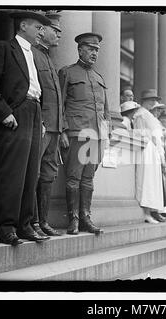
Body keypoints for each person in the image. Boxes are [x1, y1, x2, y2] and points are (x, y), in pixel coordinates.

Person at [0, 10, 52, 245]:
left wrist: (39, 120)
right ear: (23, 27)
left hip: (33, 112)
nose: (41, 32)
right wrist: (5, 113)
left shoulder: (36, 55)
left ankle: (25, 225)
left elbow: (35, 90)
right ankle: (7, 226)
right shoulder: (4, 48)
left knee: (31, 173)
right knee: (13, 173)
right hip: (15, 114)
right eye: (38, 28)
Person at [58, 32, 111, 235]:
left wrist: (106, 136)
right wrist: (63, 131)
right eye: (90, 49)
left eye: (96, 50)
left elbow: (105, 111)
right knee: (73, 178)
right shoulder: (68, 73)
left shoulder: (99, 77)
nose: (94, 53)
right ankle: (73, 219)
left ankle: (86, 217)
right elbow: (60, 104)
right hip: (77, 133)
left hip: (96, 136)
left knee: (89, 179)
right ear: (80, 49)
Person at [30, 12, 67, 237]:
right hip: (41, 125)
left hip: (54, 128)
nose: (59, 35)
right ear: (42, 31)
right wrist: (40, 122)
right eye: (56, 31)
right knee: (32, 173)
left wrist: (60, 128)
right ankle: (31, 222)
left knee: (48, 175)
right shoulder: (32, 55)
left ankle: (42, 221)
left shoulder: (50, 60)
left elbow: (57, 100)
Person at [120, 101, 166, 224]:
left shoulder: (145, 116)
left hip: (150, 149)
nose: (159, 112)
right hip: (146, 149)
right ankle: (147, 213)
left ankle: (150, 211)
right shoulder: (141, 116)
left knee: (151, 181)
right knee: (147, 181)